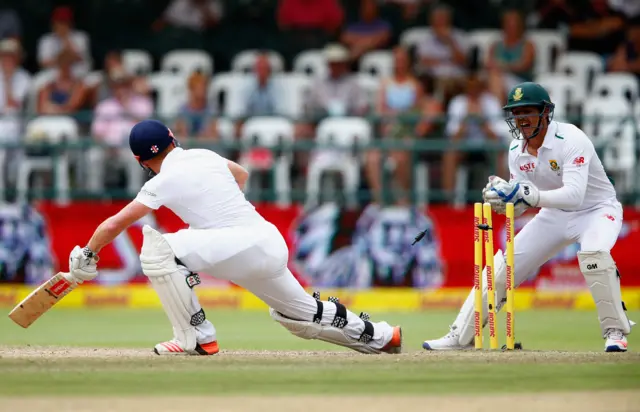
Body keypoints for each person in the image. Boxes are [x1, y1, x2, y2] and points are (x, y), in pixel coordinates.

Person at [67, 119, 403, 356]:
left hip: (238, 246)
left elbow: (114, 225)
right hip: (266, 241)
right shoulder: (204, 155)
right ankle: (382, 335)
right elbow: (241, 174)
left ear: (140, 161)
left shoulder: (160, 181)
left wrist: (88, 253)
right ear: (173, 139)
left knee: (158, 249)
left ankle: (194, 338)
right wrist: (216, 217)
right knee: (299, 314)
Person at [421, 82, 635, 352]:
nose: (521, 119)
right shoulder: (515, 151)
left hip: (597, 210)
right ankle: (459, 336)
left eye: (528, 111)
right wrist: (505, 201)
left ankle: (615, 330)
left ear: (546, 113)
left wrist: (529, 195)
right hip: (554, 215)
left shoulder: (572, 139)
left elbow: (574, 196)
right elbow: (523, 200)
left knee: (594, 254)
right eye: (516, 113)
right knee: (502, 267)